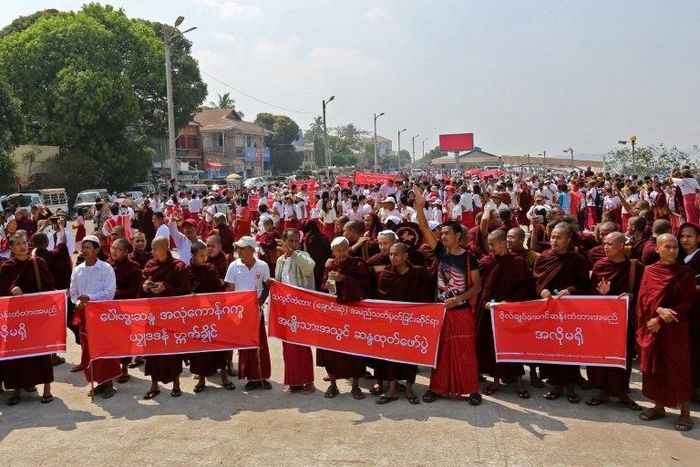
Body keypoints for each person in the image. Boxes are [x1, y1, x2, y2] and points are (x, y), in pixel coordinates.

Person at [414, 186, 483, 406]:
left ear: (458, 236)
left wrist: (459, 299)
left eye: (446, 233)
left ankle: (471, 389)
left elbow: (477, 287)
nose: (442, 236)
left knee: (465, 351)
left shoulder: (470, 258)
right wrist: (419, 206)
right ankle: (437, 388)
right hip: (441, 310)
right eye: (441, 233)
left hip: (461, 311)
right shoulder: (440, 252)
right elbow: (424, 227)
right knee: (440, 351)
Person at [636, 233, 695, 431]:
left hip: (675, 329)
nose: (672, 251)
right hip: (652, 327)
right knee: (655, 367)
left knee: (679, 369)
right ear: (658, 249)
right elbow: (643, 299)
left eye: (675, 247)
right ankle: (658, 406)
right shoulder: (649, 271)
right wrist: (657, 310)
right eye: (667, 247)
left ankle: (685, 413)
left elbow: (687, 302)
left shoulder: (685, 273)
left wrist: (661, 317)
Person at [533, 224, 590, 403]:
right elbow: (535, 280)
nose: (554, 241)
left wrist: (571, 290)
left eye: (559, 238)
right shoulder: (544, 258)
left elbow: (584, 284)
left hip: (570, 312)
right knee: (552, 348)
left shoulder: (577, 260)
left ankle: (571, 387)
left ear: (568, 240)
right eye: (552, 237)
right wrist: (541, 290)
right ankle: (555, 386)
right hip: (549, 311)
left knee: (569, 348)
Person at [586, 232, 643, 410]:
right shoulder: (600, 265)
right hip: (602, 320)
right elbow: (589, 293)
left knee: (622, 356)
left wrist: (631, 295)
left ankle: (621, 392)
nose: (605, 246)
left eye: (610, 243)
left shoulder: (635, 266)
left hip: (623, 321)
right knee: (602, 355)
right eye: (604, 243)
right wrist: (602, 294)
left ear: (620, 246)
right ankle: (602, 391)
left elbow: (643, 293)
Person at [476, 230, 534, 398]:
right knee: (492, 347)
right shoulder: (487, 262)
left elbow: (525, 287)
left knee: (512, 346)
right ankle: (495, 381)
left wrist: (506, 303)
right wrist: (485, 303)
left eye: (493, 244)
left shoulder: (517, 262)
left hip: (509, 312)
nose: (490, 247)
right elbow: (479, 286)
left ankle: (519, 382)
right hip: (488, 312)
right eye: (489, 244)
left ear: (504, 243)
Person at [0, 233, 55, 405]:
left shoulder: (37, 263)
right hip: (16, 317)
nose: (22, 246)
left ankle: (47, 389)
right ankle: (17, 389)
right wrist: (12, 290)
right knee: (17, 355)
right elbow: (2, 292)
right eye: (17, 244)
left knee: (41, 353)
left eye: (24, 243)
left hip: (36, 315)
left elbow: (48, 287)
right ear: (12, 247)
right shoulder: (6, 267)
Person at [374, 242, 431, 404]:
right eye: (391, 254)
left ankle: (408, 388)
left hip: (412, 322)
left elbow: (423, 299)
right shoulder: (386, 274)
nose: (392, 257)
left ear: (406, 256)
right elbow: (382, 300)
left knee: (410, 355)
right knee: (391, 354)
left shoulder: (418, 273)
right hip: (392, 323)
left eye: (396, 254)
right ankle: (391, 389)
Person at [319, 236, 371, 400]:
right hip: (334, 314)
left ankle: (355, 386)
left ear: (349, 249)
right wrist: (327, 285)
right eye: (337, 251)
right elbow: (323, 287)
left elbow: (364, 287)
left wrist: (345, 279)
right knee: (331, 350)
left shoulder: (358, 263)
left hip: (353, 313)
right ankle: (333, 384)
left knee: (355, 349)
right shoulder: (330, 265)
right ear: (333, 252)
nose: (341, 253)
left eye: (343, 250)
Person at [69, 235, 121, 399]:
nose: (84, 250)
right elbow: (73, 293)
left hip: (102, 315)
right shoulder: (78, 270)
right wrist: (79, 302)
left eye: (88, 247)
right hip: (84, 315)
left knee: (104, 348)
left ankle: (109, 383)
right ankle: (99, 381)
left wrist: (90, 298)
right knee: (88, 349)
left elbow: (109, 292)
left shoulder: (106, 268)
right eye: (83, 247)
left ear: (97, 250)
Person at [141, 236, 191, 399]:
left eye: (155, 249)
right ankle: (154, 385)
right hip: (153, 315)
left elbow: (186, 290)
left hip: (171, 316)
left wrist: (166, 287)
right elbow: (143, 282)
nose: (153, 252)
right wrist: (146, 286)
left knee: (173, 350)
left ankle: (176, 384)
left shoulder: (178, 266)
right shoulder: (150, 265)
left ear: (165, 249)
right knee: (153, 350)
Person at [224, 236, 272, 390]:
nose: (238, 250)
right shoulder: (234, 266)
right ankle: (251, 378)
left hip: (256, 312)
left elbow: (267, 286)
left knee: (260, 345)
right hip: (240, 313)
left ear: (251, 250)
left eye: (242, 248)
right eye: (238, 247)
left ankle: (262, 377)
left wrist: (260, 301)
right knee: (247, 347)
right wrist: (231, 310)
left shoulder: (263, 266)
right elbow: (229, 289)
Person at [188, 240, 235, 392]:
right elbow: (184, 291)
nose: (204, 259)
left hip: (213, 314)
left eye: (205, 255)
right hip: (196, 316)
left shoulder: (211, 268)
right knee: (199, 349)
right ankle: (201, 380)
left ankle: (224, 378)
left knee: (218, 346)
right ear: (193, 256)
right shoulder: (187, 271)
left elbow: (218, 289)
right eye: (201, 256)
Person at [275, 228, 316, 394]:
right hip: (285, 308)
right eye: (290, 241)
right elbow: (279, 281)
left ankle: (308, 381)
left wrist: (295, 254)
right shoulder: (280, 260)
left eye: (296, 241)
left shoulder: (303, 256)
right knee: (288, 346)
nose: (293, 244)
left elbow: (309, 268)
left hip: (301, 308)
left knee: (302, 345)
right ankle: (294, 381)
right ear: (284, 241)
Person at [107, 238, 143, 383]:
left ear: (126, 251)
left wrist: (116, 293)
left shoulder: (133, 268)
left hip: (125, 309)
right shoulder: (107, 265)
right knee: (111, 339)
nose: (114, 251)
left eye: (118, 249)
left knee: (124, 339)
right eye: (112, 248)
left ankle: (124, 369)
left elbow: (135, 290)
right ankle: (112, 367)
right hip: (109, 309)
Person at [678, 223, 700, 404]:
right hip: (680, 314)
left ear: (698, 238)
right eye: (682, 236)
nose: (685, 240)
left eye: (689, 236)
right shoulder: (677, 257)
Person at [301, 219, 331, 291]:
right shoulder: (324, 237)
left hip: (311, 268)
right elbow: (329, 252)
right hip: (324, 267)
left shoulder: (305, 239)